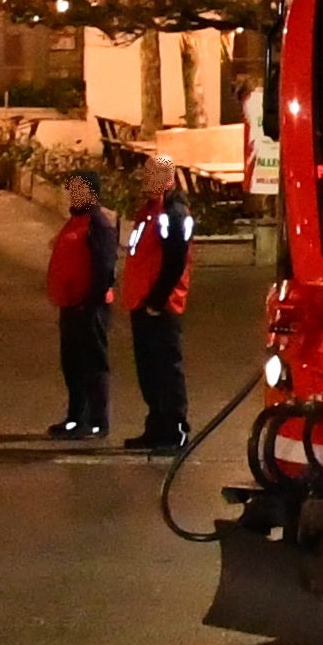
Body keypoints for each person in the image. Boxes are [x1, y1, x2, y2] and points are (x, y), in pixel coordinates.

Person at [120, 155, 197, 454]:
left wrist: (156, 299)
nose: (145, 180)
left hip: (161, 307)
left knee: (166, 369)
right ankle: (156, 426)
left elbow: (175, 260)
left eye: (152, 175)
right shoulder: (151, 211)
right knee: (150, 371)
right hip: (143, 304)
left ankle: (175, 429)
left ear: (167, 179)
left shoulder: (173, 212)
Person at [46, 170, 117, 439]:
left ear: (92, 192)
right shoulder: (76, 220)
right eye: (72, 188)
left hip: (89, 308)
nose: (74, 193)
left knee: (92, 365)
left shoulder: (98, 224)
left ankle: (97, 422)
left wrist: (90, 302)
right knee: (73, 365)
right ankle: (76, 417)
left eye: (79, 188)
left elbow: (105, 266)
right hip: (72, 307)